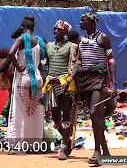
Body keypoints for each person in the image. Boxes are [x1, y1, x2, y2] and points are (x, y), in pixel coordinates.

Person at [77, 11, 117, 164]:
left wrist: (114, 84)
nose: (81, 22)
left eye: (84, 19)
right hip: (85, 80)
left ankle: (96, 151)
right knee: (97, 115)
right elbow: (80, 61)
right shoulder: (82, 39)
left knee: (94, 112)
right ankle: (105, 151)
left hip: (99, 79)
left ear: (93, 22)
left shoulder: (103, 38)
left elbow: (111, 60)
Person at [7, 16, 45, 153]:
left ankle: (16, 145)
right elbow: (42, 62)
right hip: (37, 78)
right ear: (33, 28)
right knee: (36, 111)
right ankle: (35, 145)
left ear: (22, 28)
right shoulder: (39, 41)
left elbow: (11, 53)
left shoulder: (22, 38)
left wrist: (17, 67)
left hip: (23, 77)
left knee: (20, 111)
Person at [43, 20, 79, 160]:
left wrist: (68, 80)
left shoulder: (72, 47)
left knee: (66, 118)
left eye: (58, 29)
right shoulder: (49, 46)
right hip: (52, 86)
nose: (55, 31)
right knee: (56, 119)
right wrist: (46, 77)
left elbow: (75, 66)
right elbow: (45, 65)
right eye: (54, 29)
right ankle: (67, 139)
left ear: (65, 32)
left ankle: (63, 148)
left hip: (65, 87)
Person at [0, 47, 14, 115]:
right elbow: (10, 73)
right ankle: (3, 118)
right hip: (6, 85)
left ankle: (0, 117)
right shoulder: (7, 62)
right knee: (5, 104)